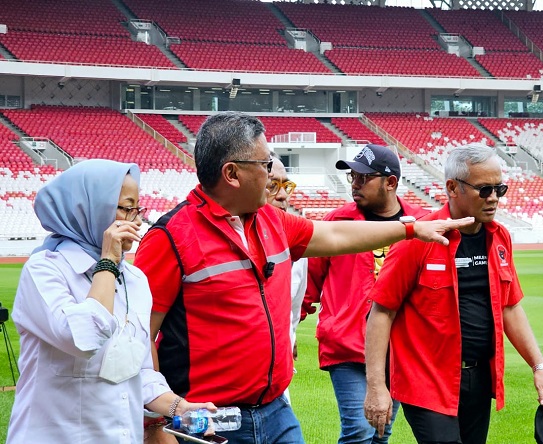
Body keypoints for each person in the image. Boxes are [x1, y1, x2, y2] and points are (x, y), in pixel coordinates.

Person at [134, 112, 473, 444]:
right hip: (208, 420)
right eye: (266, 166)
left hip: (276, 411)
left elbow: (337, 235)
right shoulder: (170, 238)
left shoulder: (270, 221)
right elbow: (140, 337)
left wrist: (412, 228)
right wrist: (158, 418)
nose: (271, 177)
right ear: (232, 173)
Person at [7, 159, 216, 444]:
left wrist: (180, 407)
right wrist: (107, 262)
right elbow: (83, 338)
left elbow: (137, 370)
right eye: (125, 208)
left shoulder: (135, 280)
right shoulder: (44, 270)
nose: (137, 220)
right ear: (89, 208)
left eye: (137, 208)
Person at [364, 144, 543, 444]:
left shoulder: (500, 237)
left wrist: (539, 366)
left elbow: (510, 308)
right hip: (426, 380)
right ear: (452, 188)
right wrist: (376, 386)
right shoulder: (418, 238)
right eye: (484, 189)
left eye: (499, 189)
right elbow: (381, 312)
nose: (493, 198)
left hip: (478, 380)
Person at [303, 144, 428, 444]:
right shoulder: (336, 223)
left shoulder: (421, 224)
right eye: (352, 177)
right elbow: (310, 281)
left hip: (397, 348)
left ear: (391, 183)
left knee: (380, 433)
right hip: (347, 346)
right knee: (359, 431)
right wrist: (288, 331)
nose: (355, 184)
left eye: (363, 177)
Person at [266, 155, 306, 395]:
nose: (282, 196)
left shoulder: (298, 250)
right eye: (272, 185)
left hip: (279, 379)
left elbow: (293, 310)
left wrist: (289, 339)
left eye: (285, 186)